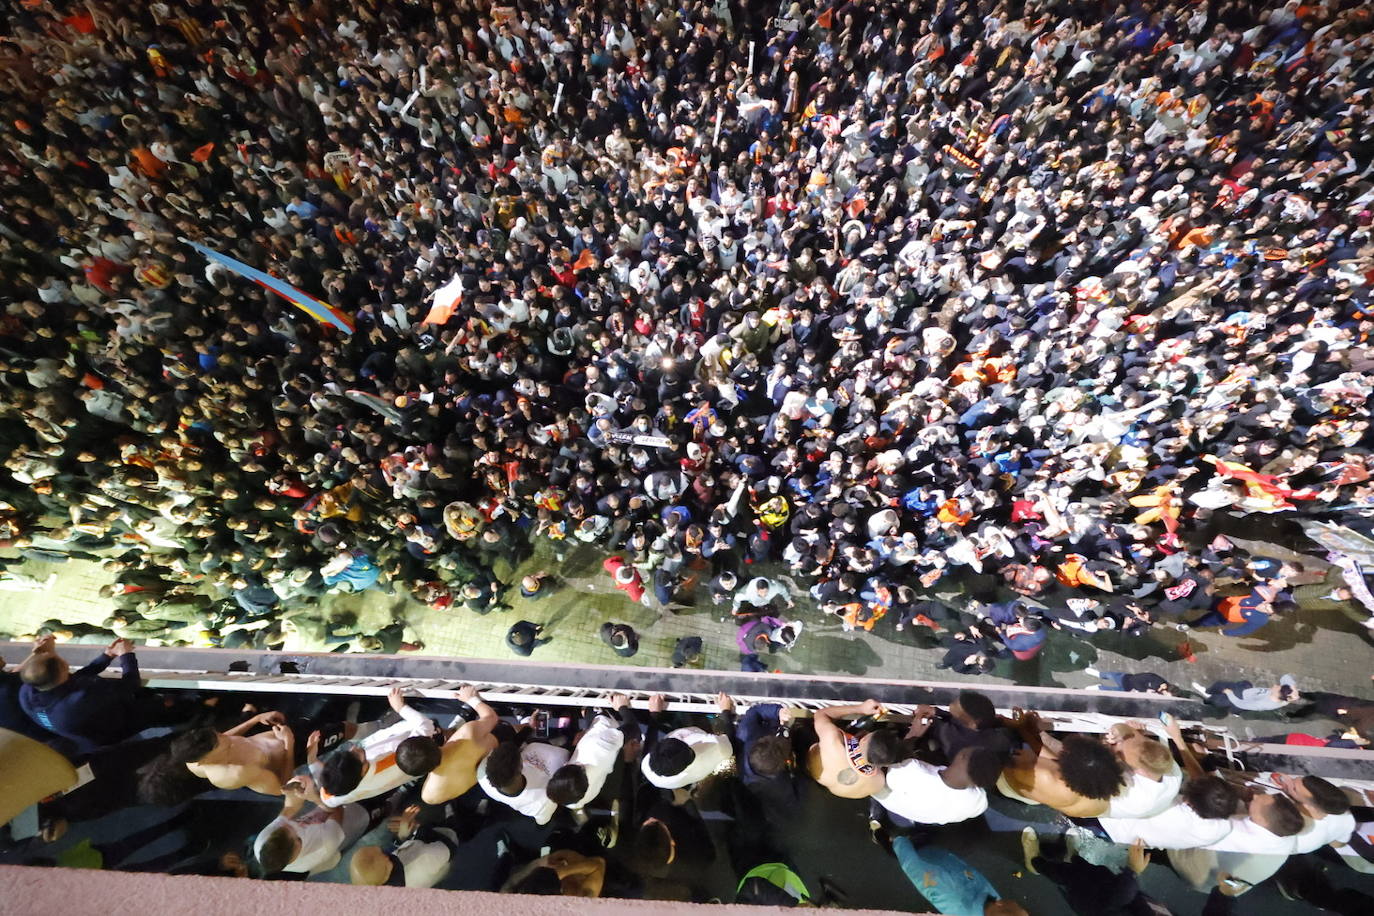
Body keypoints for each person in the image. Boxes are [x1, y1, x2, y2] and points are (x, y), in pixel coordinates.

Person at [18, 636, 149, 752]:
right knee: (155, 711)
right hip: (109, 729)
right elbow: (130, 687)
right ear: (63, 667)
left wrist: (107, 656)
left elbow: (72, 678)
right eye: (56, 657)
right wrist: (126, 654)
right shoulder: (82, 698)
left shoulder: (28, 690)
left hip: (81, 729)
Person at [315, 687, 440, 807]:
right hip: (421, 750)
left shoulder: (334, 791)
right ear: (363, 770)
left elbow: (327, 799)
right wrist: (400, 708)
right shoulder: (388, 763)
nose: (353, 749)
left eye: (348, 751)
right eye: (357, 756)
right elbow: (426, 727)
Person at [254, 781, 370, 877]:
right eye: (292, 827)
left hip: (324, 817)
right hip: (350, 819)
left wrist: (292, 792)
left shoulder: (262, 842)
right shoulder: (325, 845)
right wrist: (314, 797)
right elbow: (337, 807)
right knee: (369, 806)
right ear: (298, 845)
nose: (287, 823)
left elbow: (289, 808)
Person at [546, 693, 639, 810]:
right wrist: (622, 707)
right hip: (605, 729)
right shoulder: (600, 746)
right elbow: (633, 727)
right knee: (592, 702)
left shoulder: (574, 802)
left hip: (598, 745)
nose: (565, 763)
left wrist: (575, 745)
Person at [873, 746, 1001, 827]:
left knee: (876, 772)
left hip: (893, 796)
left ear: (963, 756)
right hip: (927, 816)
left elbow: (892, 776)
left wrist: (913, 735)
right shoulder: (980, 801)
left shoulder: (913, 770)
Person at [420, 685, 500, 806]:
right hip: (499, 744)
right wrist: (471, 699)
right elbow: (491, 717)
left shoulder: (429, 796)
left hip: (483, 772)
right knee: (507, 729)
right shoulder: (466, 734)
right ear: (433, 743)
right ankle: (526, 723)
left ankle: (464, 715)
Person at [641, 692, 734, 791]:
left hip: (682, 729)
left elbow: (649, 744)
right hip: (701, 729)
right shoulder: (715, 747)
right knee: (700, 717)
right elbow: (730, 740)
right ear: (689, 747)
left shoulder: (648, 769)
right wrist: (725, 710)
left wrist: (654, 713)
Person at [476, 735, 570, 825]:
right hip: (563, 762)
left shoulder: (481, 773)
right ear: (521, 766)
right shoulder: (542, 802)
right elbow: (542, 821)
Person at [806, 699, 889, 800]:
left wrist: (860, 708)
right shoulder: (878, 782)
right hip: (836, 783)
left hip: (820, 765)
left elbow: (821, 714)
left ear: (863, 739)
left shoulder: (832, 740)